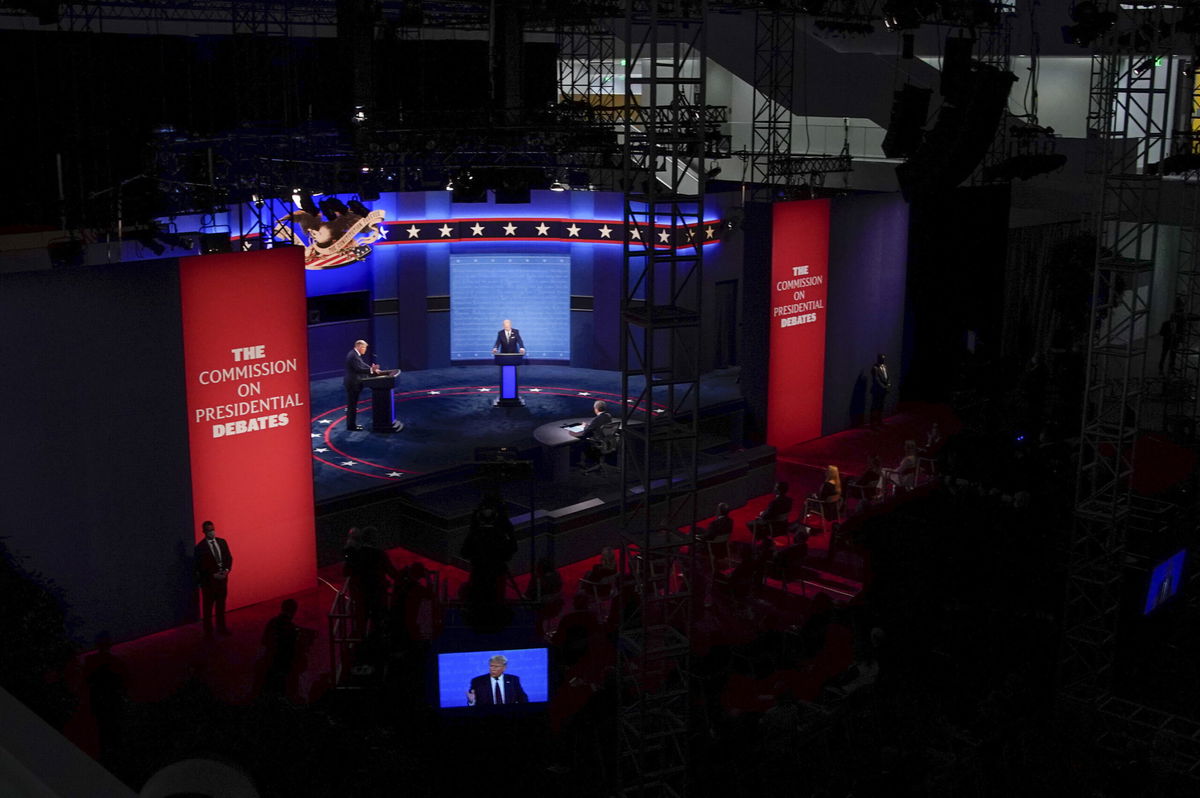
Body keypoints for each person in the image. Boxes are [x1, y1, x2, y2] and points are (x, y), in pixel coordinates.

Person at [194, 520, 233, 637]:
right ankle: (208, 632)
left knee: (221, 606)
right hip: (209, 583)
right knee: (208, 608)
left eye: (213, 529)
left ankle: (221, 628)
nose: (212, 532)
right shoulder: (200, 548)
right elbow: (199, 566)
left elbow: (229, 557)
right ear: (204, 532)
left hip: (222, 580)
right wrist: (212, 575)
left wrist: (226, 571)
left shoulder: (222, 542)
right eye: (209, 530)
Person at [344, 339, 379, 432]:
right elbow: (359, 368)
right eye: (364, 348)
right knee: (352, 406)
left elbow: (362, 365)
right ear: (359, 347)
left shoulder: (355, 354)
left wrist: (371, 369)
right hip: (353, 384)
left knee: (352, 405)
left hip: (353, 383)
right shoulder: (353, 356)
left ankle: (351, 425)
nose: (365, 350)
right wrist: (372, 370)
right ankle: (351, 426)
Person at [569, 400, 614, 467]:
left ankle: (577, 463)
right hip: (607, 441)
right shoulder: (608, 416)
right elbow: (598, 425)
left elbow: (586, 432)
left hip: (598, 442)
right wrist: (589, 425)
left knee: (578, 442)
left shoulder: (597, 419)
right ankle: (593, 461)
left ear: (596, 409)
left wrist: (585, 426)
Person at [869, 353, 891, 428]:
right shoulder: (875, 368)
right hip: (877, 390)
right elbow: (876, 379)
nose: (883, 360)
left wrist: (888, 385)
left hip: (883, 390)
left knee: (881, 406)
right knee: (875, 406)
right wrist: (884, 387)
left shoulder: (885, 366)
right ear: (879, 359)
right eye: (882, 358)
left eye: (884, 358)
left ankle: (879, 421)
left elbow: (888, 377)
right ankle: (873, 423)